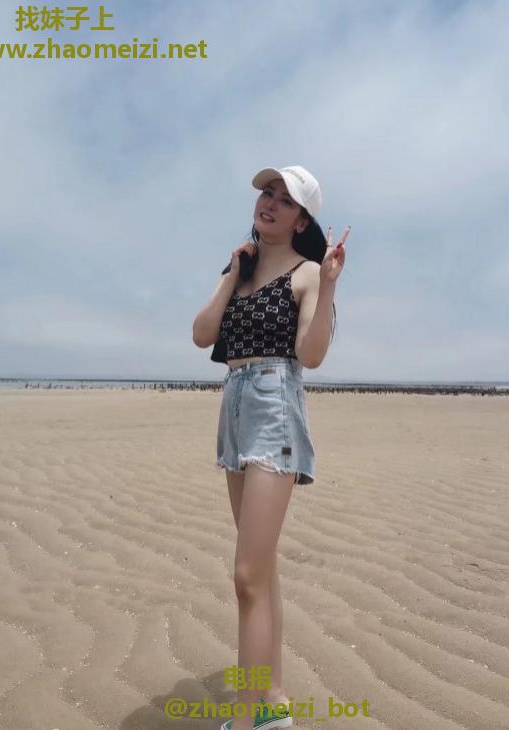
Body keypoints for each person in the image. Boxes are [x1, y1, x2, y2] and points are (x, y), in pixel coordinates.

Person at [192, 165, 349, 730]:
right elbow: (202, 334)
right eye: (267, 193)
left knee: (246, 577)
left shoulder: (307, 274)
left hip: (273, 404)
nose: (271, 203)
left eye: (286, 200)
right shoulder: (242, 267)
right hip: (234, 404)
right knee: (262, 570)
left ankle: (248, 717)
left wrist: (329, 283)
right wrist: (231, 274)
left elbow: (311, 355)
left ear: (302, 220)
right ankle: (273, 699)